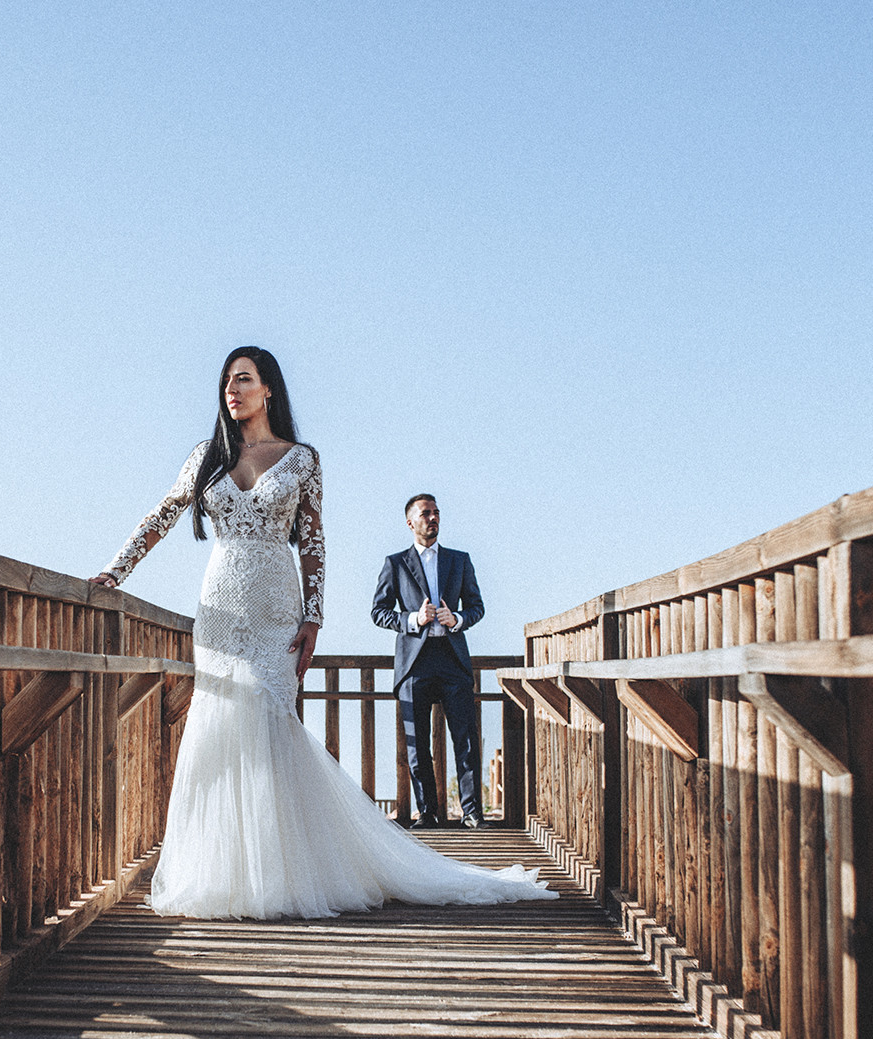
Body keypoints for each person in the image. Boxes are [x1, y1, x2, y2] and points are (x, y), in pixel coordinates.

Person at [92, 347, 552, 920]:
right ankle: (228, 873)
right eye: (226, 382)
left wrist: (314, 618)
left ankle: (287, 871)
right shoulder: (206, 455)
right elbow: (162, 514)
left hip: (276, 606)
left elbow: (312, 543)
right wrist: (115, 571)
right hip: (218, 609)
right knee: (218, 726)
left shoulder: (301, 459)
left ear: (268, 390)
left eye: (244, 380)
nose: (231, 391)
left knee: (271, 720)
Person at [371, 494, 486, 829]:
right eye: (425, 514)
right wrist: (412, 619)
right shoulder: (395, 563)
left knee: (465, 740)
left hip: (452, 659)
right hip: (414, 663)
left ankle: (472, 812)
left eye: (436, 513)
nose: (432, 518)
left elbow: (477, 606)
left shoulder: (460, 560)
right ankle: (429, 812)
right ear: (411, 522)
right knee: (417, 744)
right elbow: (378, 612)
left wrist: (459, 619)